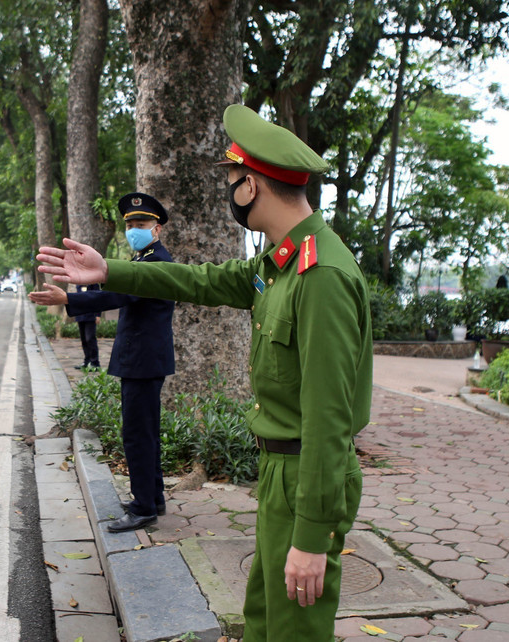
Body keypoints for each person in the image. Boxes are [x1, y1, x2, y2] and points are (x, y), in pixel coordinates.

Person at [35, 105, 372, 641]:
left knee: (295, 632)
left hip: (307, 476)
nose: (232, 192)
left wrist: (311, 537)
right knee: (264, 620)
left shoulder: (321, 274)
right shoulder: (281, 261)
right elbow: (204, 280)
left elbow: (331, 420)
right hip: (280, 472)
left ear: (251, 187)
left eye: (234, 180)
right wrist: (110, 270)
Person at [29, 192, 175, 532]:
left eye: (142, 224)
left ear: (158, 229)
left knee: (138, 434)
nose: (135, 230)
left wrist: (69, 298)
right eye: (132, 225)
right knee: (146, 430)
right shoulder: (144, 260)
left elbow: (116, 293)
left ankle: (143, 507)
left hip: (143, 362)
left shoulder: (155, 262)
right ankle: (153, 497)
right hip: (143, 360)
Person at [73, 283, 101, 369]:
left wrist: (98, 315)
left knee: (90, 338)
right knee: (84, 339)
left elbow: (98, 298)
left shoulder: (94, 283)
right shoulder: (78, 283)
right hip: (81, 314)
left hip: (91, 314)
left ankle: (95, 363)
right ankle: (87, 361)